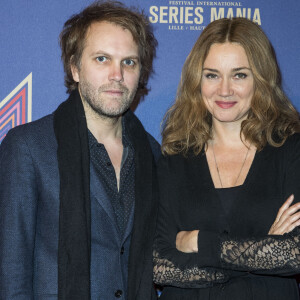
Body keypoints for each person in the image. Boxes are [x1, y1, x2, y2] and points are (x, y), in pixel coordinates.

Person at [0, 1, 160, 299]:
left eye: (129, 62)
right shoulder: (28, 148)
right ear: (75, 68)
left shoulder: (152, 153)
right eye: (102, 59)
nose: (117, 74)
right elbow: (11, 273)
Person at [153, 17, 300, 299]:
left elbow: (294, 253)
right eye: (212, 75)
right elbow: (160, 265)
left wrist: (198, 241)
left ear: (261, 79)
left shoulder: (290, 150)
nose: (224, 90)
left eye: (239, 75)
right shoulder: (176, 156)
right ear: (198, 81)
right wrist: (261, 250)